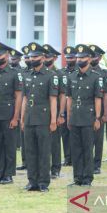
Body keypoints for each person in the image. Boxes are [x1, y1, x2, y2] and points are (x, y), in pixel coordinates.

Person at [21, 42, 57, 192]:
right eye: (30, 56)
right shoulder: (27, 75)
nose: (32, 58)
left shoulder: (51, 76)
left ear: (43, 57)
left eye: (35, 56)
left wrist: (54, 120)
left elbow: (53, 99)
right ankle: (32, 181)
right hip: (29, 118)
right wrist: (22, 118)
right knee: (30, 151)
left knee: (43, 151)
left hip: (43, 119)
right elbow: (24, 98)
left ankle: (43, 182)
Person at [0, 42, 23, 185]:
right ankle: (0, 172)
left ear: (7, 56)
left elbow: (19, 96)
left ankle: (9, 174)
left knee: (9, 145)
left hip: (8, 114)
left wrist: (15, 117)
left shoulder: (15, 73)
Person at [66, 44, 102, 186]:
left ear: (89, 58)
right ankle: (77, 178)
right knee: (76, 150)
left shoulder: (95, 77)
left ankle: (87, 178)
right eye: (78, 57)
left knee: (87, 149)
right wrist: (68, 116)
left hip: (88, 118)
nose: (80, 59)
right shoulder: (72, 76)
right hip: (75, 117)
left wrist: (97, 118)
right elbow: (69, 98)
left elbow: (97, 99)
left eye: (83, 57)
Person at [43, 44, 66, 179]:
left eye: (48, 56)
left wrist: (60, 113)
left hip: (54, 111)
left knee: (54, 142)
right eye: (44, 56)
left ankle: (56, 168)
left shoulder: (59, 74)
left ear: (55, 58)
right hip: (40, 113)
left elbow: (63, 96)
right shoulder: (37, 73)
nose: (46, 59)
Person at [89, 44, 107, 175]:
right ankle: (87, 162)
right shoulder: (82, 72)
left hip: (99, 110)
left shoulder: (103, 74)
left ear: (100, 57)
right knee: (86, 139)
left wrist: (105, 113)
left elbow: (106, 95)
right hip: (85, 110)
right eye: (90, 55)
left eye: (95, 56)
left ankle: (97, 164)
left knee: (98, 139)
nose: (92, 58)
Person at [60, 46, 78, 167]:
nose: (69, 59)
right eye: (67, 58)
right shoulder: (62, 72)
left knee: (75, 135)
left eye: (71, 57)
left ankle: (75, 157)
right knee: (65, 134)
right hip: (64, 108)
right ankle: (67, 157)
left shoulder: (79, 72)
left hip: (76, 108)